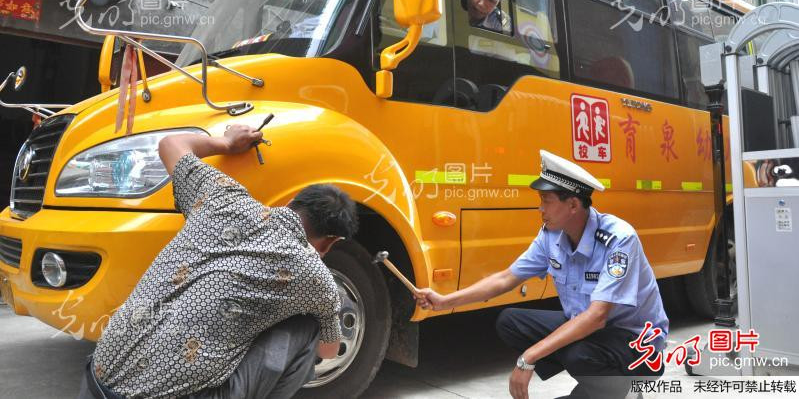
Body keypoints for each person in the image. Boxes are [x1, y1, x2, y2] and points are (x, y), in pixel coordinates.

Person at [78, 124, 358, 399]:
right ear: (331, 241)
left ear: (293, 201)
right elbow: (328, 351)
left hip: (95, 381)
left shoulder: (222, 197)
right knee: (309, 326)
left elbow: (169, 145)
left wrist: (226, 144)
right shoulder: (316, 278)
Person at [415, 150, 668, 399]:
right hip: (592, 330)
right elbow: (506, 279)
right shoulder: (551, 235)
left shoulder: (619, 239)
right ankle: (598, 391)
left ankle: (623, 393)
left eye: (546, 201)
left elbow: (597, 317)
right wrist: (444, 301)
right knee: (510, 321)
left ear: (572, 204)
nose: (540, 208)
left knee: (578, 353)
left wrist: (529, 358)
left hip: (636, 342)